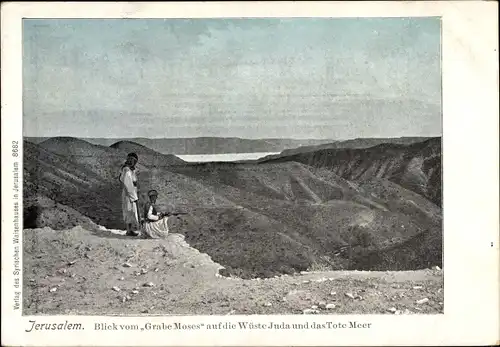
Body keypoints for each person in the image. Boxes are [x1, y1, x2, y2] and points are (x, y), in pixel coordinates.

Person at [119, 152, 141, 236]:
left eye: (134, 160)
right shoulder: (126, 170)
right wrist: (134, 197)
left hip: (131, 193)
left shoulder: (131, 170)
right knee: (129, 210)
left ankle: (131, 229)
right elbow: (128, 185)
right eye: (131, 159)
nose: (132, 162)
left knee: (131, 211)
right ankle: (129, 230)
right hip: (128, 194)